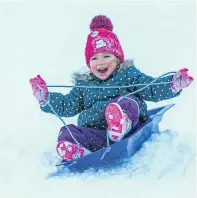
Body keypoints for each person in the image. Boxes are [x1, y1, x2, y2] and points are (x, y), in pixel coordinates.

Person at [30, 15, 193, 161]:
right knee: (67, 131)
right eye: (94, 58)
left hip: (130, 126)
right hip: (98, 133)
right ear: (89, 64)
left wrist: (172, 84)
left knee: (124, 102)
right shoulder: (84, 84)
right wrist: (46, 98)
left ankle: (121, 123)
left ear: (118, 58)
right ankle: (80, 150)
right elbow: (68, 105)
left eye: (107, 56)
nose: (101, 62)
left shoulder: (127, 74)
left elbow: (150, 88)